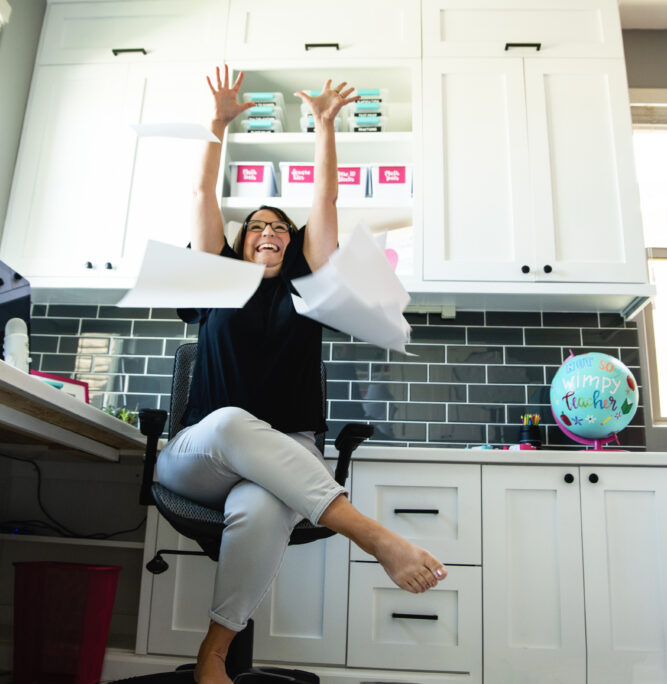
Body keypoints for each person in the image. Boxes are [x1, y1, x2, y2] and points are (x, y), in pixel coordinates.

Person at [156, 66, 446, 684]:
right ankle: (373, 537)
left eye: (280, 228)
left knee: (263, 508)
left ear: (293, 243)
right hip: (198, 454)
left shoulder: (311, 290)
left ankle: (213, 656)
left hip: (290, 451)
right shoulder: (215, 282)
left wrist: (324, 123)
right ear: (238, 243)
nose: (269, 232)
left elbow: (326, 201)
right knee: (233, 422)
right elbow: (201, 199)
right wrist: (216, 127)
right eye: (257, 226)